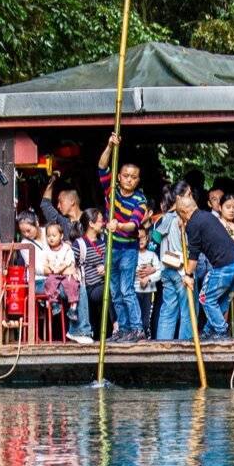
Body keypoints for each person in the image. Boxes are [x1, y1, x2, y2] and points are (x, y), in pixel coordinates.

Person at [99, 133, 149, 342]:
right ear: (119, 176)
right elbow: (102, 167)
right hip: (111, 247)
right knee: (114, 292)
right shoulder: (112, 190)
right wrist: (110, 146)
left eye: (133, 177)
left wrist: (117, 225)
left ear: (138, 180)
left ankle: (137, 329)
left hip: (128, 250)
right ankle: (123, 329)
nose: (129, 179)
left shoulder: (140, 199)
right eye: (125, 175)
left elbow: (133, 225)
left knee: (126, 289)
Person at [175, 183, 234, 341]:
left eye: (181, 215)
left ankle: (220, 331)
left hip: (224, 266)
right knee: (220, 299)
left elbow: (193, 256)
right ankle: (208, 331)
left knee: (205, 298)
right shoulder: (206, 215)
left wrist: (187, 274)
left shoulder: (193, 224)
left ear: (184, 212)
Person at [154, 188, 188, 343]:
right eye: (188, 195)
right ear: (179, 198)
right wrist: (185, 274)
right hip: (179, 269)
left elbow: (155, 239)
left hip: (166, 268)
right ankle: (185, 348)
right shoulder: (177, 219)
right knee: (187, 310)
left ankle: (163, 345)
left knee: (168, 310)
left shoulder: (165, 217)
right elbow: (178, 247)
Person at [35, 222, 82, 336]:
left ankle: (73, 307)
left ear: (61, 236)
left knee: (72, 284)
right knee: (49, 283)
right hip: (53, 274)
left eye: (54, 235)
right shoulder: (45, 250)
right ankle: (54, 303)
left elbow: (70, 261)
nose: (51, 238)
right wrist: (51, 267)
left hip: (65, 274)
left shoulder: (66, 248)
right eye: (49, 236)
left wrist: (61, 268)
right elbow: (44, 263)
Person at [71, 208, 106, 342]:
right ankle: (115, 327)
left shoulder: (104, 240)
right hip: (89, 287)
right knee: (109, 290)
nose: (102, 224)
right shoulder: (80, 244)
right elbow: (71, 264)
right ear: (91, 224)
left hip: (103, 282)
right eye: (100, 221)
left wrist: (106, 266)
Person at [135, 227, 162, 334]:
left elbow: (160, 272)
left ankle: (145, 335)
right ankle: (137, 335)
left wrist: (149, 278)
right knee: (136, 317)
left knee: (146, 320)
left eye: (143, 237)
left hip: (148, 292)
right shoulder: (132, 255)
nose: (140, 240)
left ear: (147, 239)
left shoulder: (152, 255)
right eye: (138, 238)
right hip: (135, 290)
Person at [40, 176, 81, 242]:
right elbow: (45, 205)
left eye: (61, 202)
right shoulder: (62, 222)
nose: (58, 206)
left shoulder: (90, 219)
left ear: (72, 201)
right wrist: (52, 182)